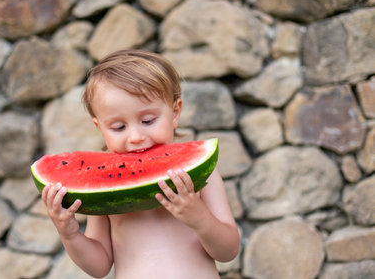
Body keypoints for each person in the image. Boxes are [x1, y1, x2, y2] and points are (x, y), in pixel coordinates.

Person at [41, 49, 240, 278]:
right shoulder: (105, 186)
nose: (135, 136)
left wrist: (199, 218)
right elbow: (99, 267)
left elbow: (228, 251)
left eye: (148, 120)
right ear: (99, 127)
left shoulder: (201, 174)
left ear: (175, 113)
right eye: (118, 127)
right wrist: (70, 235)